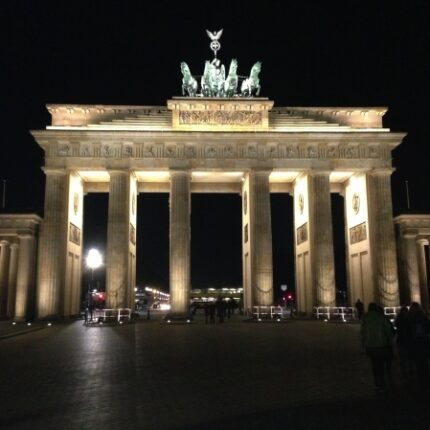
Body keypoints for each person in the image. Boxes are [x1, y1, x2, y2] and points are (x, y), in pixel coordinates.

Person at [361, 302, 394, 392]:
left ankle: (376, 381)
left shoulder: (366, 318)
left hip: (370, 346)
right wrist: (391, 343)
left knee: (374, 364)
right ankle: (382, 382)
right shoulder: (381, 318)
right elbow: (388, 332)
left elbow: (363, 333)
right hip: (381, 345)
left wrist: (362, 346)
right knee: (381, 364)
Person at [407, 302, 430, 391]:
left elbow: (407, 334)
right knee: (424, 363)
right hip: (423, 343)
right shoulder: (424, 318)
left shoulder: (409, 319)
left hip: (415, 345)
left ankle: (420, 381)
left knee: (418, 364)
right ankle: (426, 380)